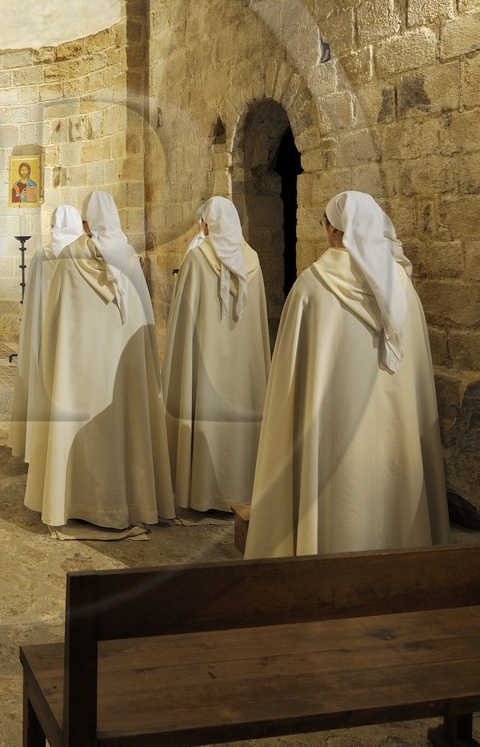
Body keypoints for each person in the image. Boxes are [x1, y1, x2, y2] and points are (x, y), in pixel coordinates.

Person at [246, 191, 448, 558]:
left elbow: (289, 383)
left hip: (332, 438)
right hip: (392, 438)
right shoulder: (402, 288)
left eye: (324, 225)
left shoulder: (311, 288)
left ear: (336, 230)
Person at [23, 190, 173, 529]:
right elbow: (142, 319)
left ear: (87, 220)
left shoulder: (70, 256)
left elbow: (56, 321)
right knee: (125, 424)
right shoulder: (129, 256)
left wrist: (53, 363)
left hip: (78, 372)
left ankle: (74, 501)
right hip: (124, 371)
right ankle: (129, 501)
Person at [161, 196, 271, 512]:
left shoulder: (197, 259)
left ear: (207, 224)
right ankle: (242, 488)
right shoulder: (254, 260)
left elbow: (184, 321)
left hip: (206, 368)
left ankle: (201, 491)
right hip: (243, 371)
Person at [8, 204, 83, 462]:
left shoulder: (43, 255)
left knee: (44, 380)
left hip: (44, 326)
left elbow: (33, 300)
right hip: (73, 331)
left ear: (53, 226)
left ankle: (39, 447)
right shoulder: (84, 254)